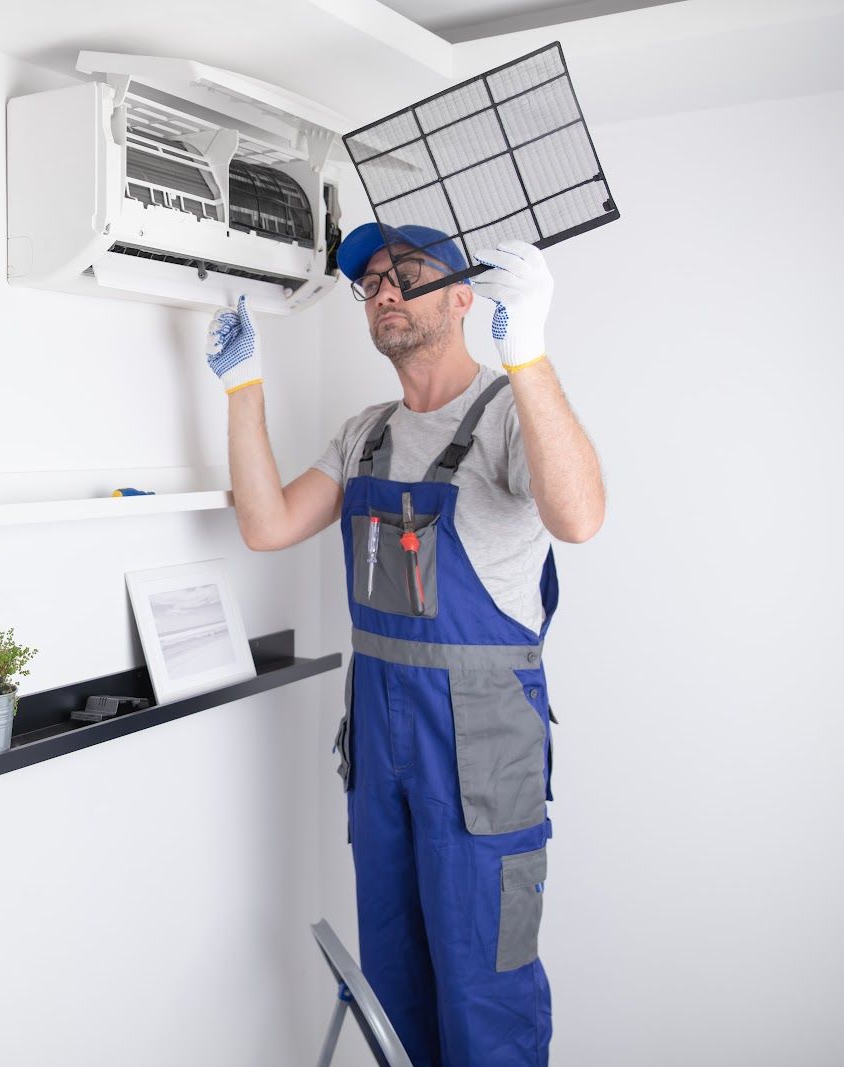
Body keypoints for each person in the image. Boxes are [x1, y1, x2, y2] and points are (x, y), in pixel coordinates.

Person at [204, 222, 605, 1066]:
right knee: (397, 989)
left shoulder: (506, 414)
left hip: (481, 763)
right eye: (373, 281)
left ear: (465, 297)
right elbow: (266, 524)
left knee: (484, 997)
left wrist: (529, 354)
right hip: (383, 751)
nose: (384, 290)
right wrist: (244, 388)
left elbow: (580, 515)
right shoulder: (367, 434)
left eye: (408, 274)